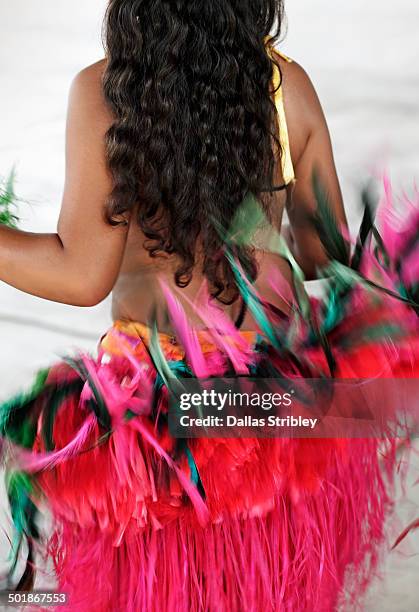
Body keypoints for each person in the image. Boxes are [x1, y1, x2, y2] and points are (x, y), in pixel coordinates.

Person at [0, 1, 418, 610]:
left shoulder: (105, 92)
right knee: (270, 589)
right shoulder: (283, 85)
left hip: (168, 422)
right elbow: (322, 251)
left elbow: (81, 274)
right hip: (280, 408)